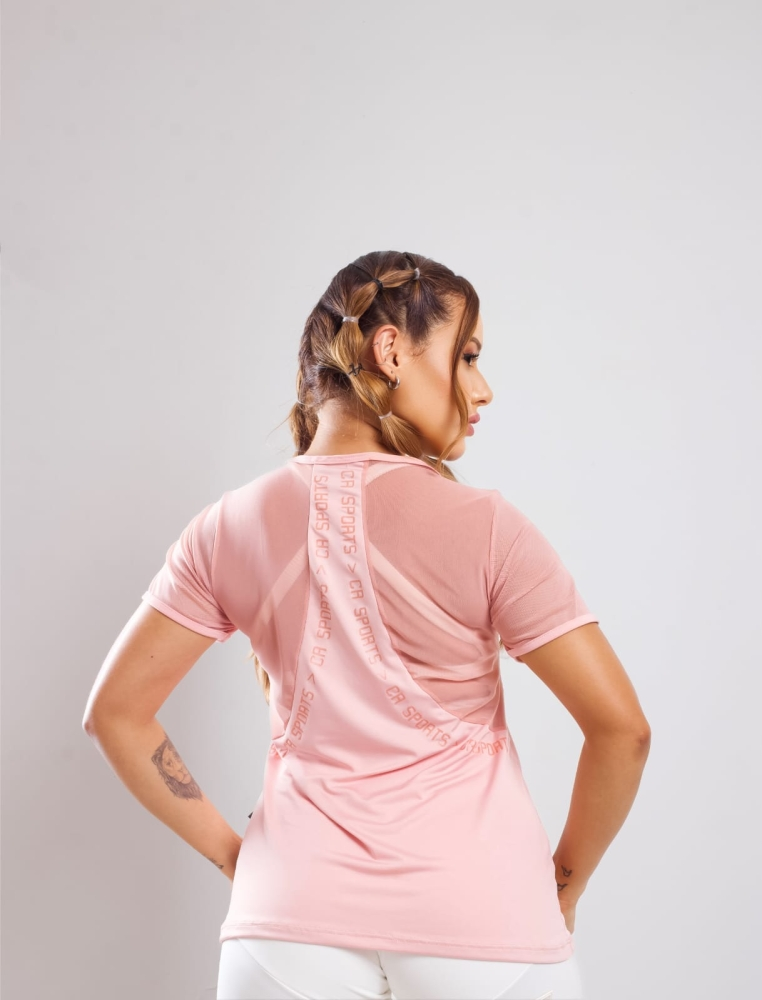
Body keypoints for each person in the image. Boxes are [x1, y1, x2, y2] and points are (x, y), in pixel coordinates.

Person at [84, 250, 651, 1000]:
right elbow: (623, 731)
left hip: (285, 926)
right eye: (468, 356)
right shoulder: (488, 527)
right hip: (480, 921)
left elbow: (115, 713)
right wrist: (563, 888)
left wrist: (237, 859)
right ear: (391, 351)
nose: (483, 387)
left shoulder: (228, 526)